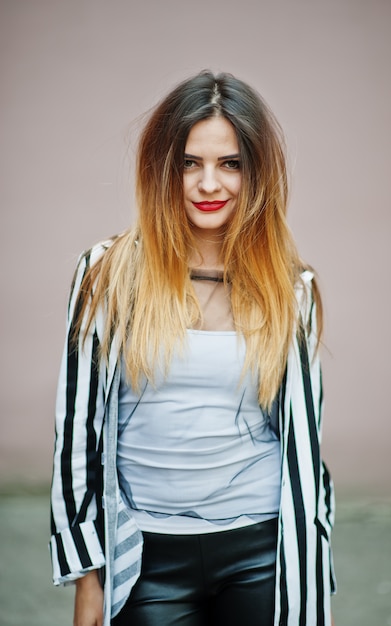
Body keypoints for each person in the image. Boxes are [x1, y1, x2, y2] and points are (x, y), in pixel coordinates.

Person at [50, 70, 336, 626]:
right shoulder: (107, 275)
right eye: (190, 163)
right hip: (146, 555)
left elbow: (306, 448)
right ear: (163, 169)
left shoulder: (290, 287)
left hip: (262, 550)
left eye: (230, 163)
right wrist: (88, 578)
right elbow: (75, 437)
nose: (210, 184)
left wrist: (310, 571)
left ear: (256, 173)